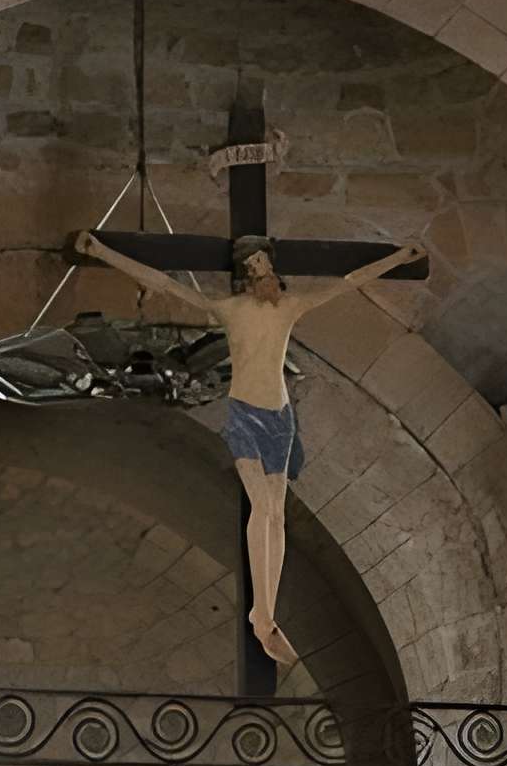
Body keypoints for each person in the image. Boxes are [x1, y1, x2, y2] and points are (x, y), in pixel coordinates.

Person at [72, 226, 419, 665]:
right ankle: (262, 614)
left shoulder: (289, 307)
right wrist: (101, 251)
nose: (262, 272)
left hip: (280, 418)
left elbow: (346, 284)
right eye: (254, 267)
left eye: (265, 264)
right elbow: (164, 284)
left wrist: (397, 259)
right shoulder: (229, 309)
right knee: (261, 508)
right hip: (245, 417)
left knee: (278, 513)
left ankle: (267, 614)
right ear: (245, 275)